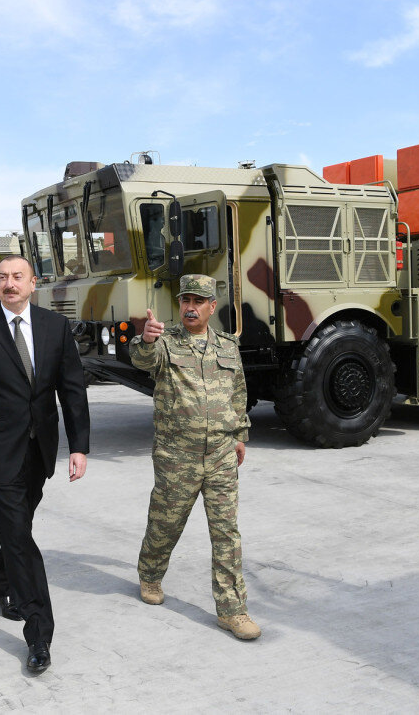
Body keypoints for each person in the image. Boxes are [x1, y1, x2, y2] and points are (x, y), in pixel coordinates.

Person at [0, 254, 89, 674]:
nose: (9, 284)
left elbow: (72, 389)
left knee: (17, 528)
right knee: (20, 541)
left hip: (40, 450)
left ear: (34, 283)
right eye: (2, 277)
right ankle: (39, 631)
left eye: (17, 277)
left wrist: (79, 446)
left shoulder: (54, 326)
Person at [129, 273, 260, 640]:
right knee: (166, 524)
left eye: (198, 301)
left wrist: (239, 435)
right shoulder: (166, 343)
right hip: (177, 456)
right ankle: (150, 573)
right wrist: (145, 339)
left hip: (220, 454)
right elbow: (142, 360)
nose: (190, 307)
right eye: (185, 300)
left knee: (226, 534)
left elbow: (238, 392)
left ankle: (232, 610)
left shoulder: (228, 347)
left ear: (211, 307)